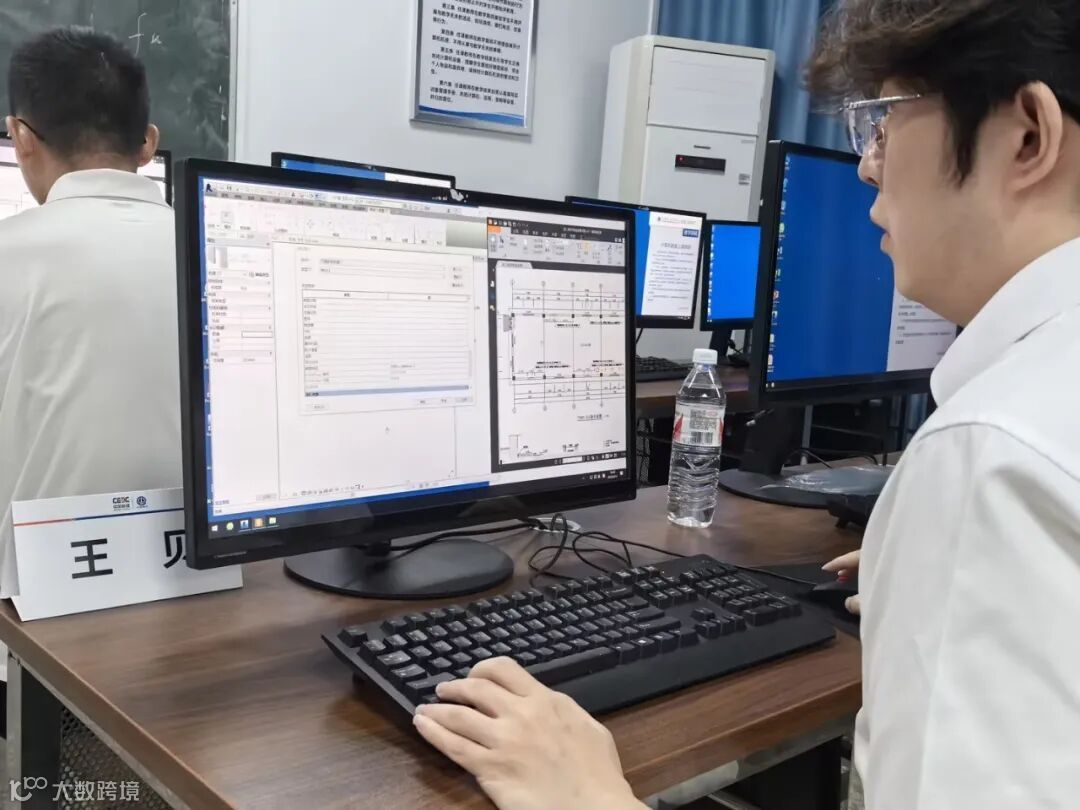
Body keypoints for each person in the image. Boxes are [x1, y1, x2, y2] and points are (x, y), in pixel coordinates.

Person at [411, 1, 1080, 807]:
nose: (868, 167)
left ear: (1028, 137)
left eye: (886, 121)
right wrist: (928, 569)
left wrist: (587, 796)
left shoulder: (992, 457)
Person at [0, 27, 180, 600]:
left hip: (29, 620)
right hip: (209, 589)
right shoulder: (219, 249)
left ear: (20, 137)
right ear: (147, 143)